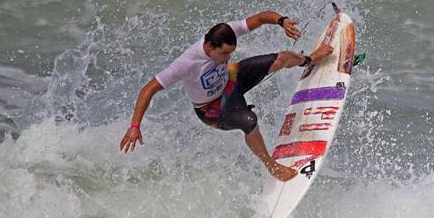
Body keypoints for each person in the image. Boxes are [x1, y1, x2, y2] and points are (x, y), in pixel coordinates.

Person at [119, 11, 333, 181]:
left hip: (232, 80)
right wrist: (135, 126)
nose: (228, 57)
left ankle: (310, 60)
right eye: (223, 54)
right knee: (250, 122)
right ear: (209, 46)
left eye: (230, 53)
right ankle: (271, 166)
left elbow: (259, 18)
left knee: (283, 57)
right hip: (212, 109)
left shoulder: (224, 33)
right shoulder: (187, 63)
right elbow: (149, 89)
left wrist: (282, 21)